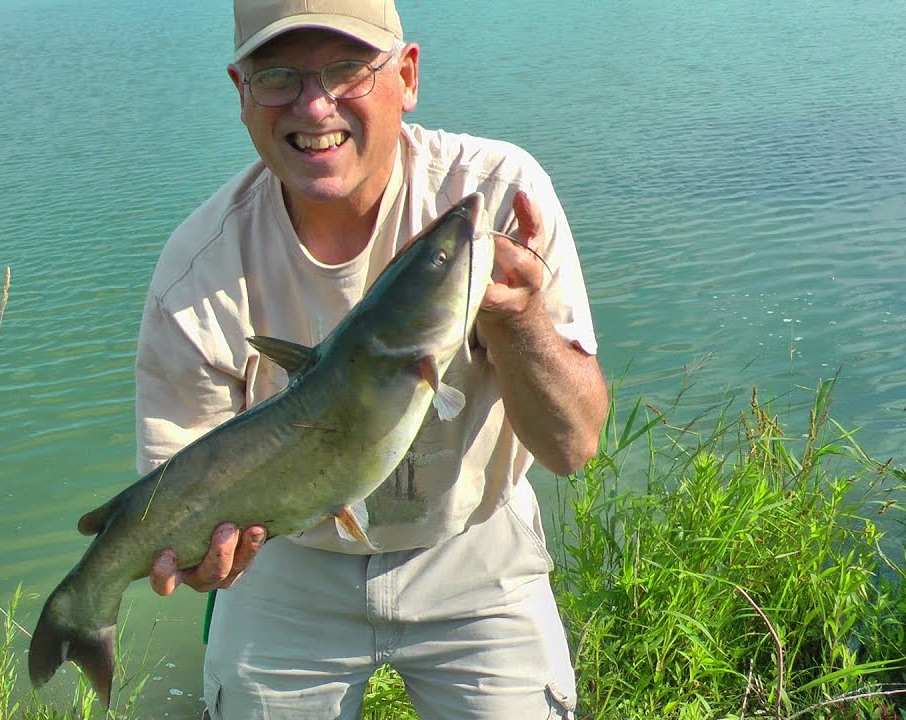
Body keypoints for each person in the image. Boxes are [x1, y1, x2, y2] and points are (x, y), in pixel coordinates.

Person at [133, 1, 608, 717]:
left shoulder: (493, 198)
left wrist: (520, 323)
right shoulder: (197, 272)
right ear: (241, 92)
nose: (313, 104)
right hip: (288, 564)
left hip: (476, 548)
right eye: (279, 76)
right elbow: (175, 492)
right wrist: (196, 557)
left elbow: (572, 448)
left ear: (407, 75)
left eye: (348, 68)